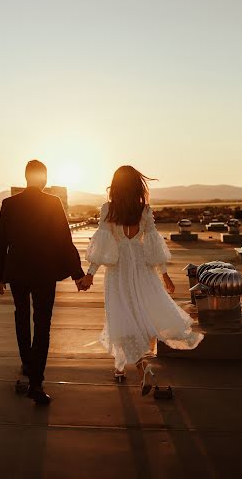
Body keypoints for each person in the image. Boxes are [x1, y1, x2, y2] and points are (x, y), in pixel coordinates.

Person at [82, 166, 204, 395]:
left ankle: (134, 366)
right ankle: (131, 364)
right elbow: (153, 245)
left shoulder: (108, 209)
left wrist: (90, 273)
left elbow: (102, 244)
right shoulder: (144, 210)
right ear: (137, 186)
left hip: (118, 271)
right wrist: (165, 274)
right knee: (142, 314)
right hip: (141, 268)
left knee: (120, 316)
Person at [0, 160, 86, 405]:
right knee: (42, 323)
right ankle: (36, 381)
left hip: (16, 272)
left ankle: (27, 362)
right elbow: (64, 240)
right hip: (44, 272)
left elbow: (0, 241)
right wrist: (77, 273)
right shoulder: (52, 202)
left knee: (21, 315)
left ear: (25, 177)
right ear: (44, 179)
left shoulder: (9, 204)